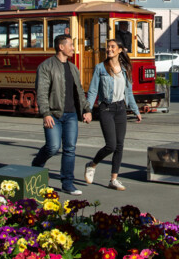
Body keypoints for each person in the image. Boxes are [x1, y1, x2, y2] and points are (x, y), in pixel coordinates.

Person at [31, 34, 92, 195]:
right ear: (61, 47)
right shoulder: (46, 66)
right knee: (53, 147)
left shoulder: (73, 67)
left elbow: (79, 91)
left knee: (70, 149)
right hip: (54, 114)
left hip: (71, 114)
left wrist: (86, 110)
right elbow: (42, 92)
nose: (73, 48)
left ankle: (67, 183)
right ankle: (37, 164)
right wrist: (45, 113)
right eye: (71, 45)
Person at [84, 38, 142, 190]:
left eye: (112, 47)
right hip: (106, 109)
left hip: (120, 109)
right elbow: (93, 91)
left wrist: (136, 110)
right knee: (111, 145)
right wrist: (88, 110)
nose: (109, 49)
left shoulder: (126, 68)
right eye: (107, 47)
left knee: (120, 145)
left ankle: (113, 179)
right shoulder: (100, 68)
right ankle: (92, 165)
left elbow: (129, 92)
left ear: (120, 50)